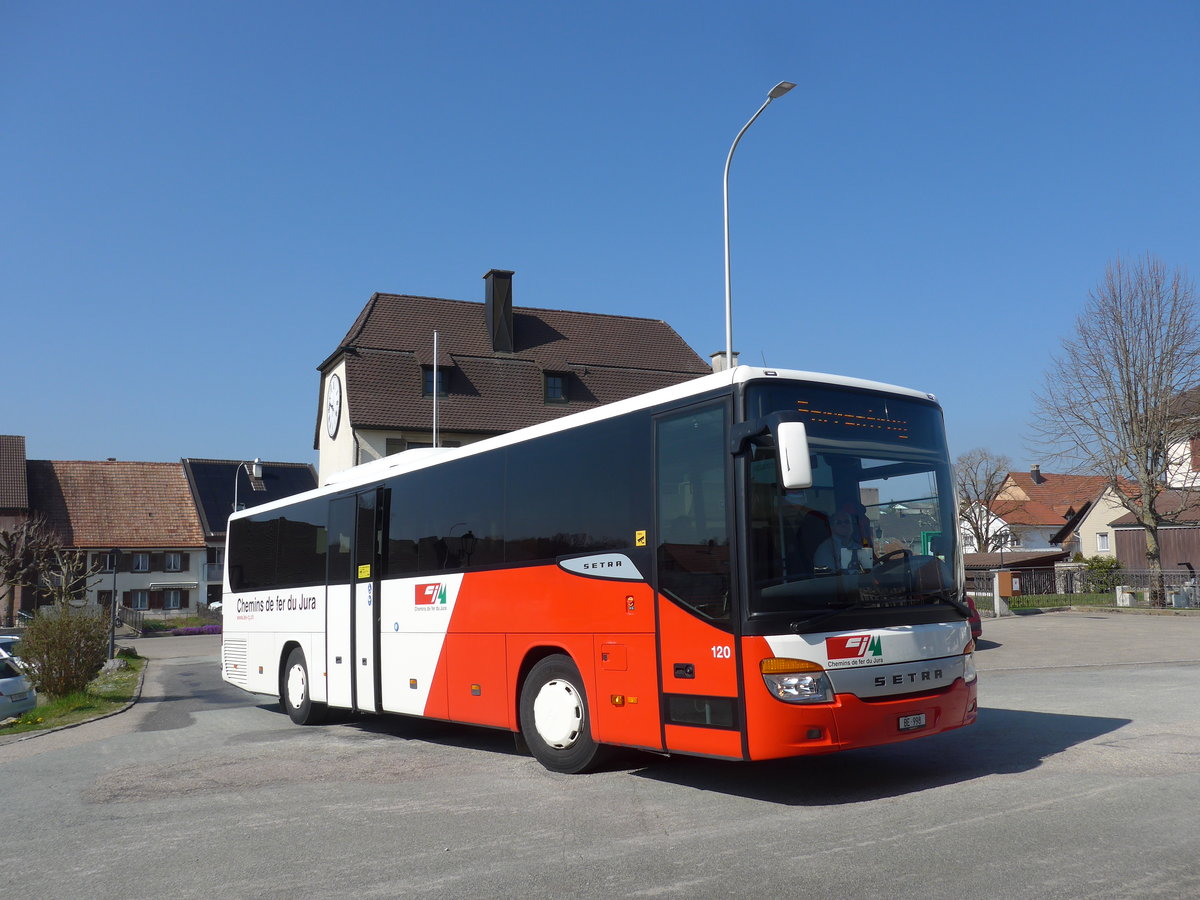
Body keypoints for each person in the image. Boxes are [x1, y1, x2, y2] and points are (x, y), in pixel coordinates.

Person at [813, 504, 871, 573]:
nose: (844, 525)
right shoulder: (825, 549)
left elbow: (870, 571)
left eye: (847, 522)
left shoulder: (859, 547)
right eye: (839, 522)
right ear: (832, 527)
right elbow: (830, 578)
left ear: (852, 526)